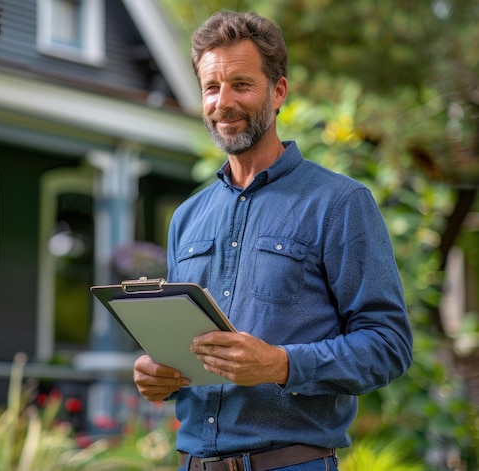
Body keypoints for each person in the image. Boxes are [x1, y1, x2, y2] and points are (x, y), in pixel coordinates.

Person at [132, 10, 413, 471]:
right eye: (211, 87)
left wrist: (281, 365)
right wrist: (158, 372)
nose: (223, 102)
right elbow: (187, 349)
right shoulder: (186, 218)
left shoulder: (340, 203)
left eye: (241, 84)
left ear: (278, 91)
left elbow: (389, 345)